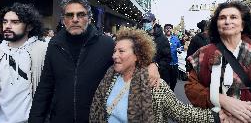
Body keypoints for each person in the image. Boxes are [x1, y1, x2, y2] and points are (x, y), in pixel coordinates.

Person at [29, 0, 159, 123]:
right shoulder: (54, 45)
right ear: (63, 20)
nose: (75, 19)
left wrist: (152, 65)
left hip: (94, 118)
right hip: (60, 118)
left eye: (80, 15)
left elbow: (131, 56)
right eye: (70, 15)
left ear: (89, 18)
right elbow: (45, 87)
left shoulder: (107, 44)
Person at [89, 27, 219, 122]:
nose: (114, 55)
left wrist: (217, 117)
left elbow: (182, 113)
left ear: (137, 55)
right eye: (114, 51)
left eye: (121, 51)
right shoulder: (109, 78)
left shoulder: (154, 85)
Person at [185, 1, 251, 122]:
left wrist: (250, 113)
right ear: (216, 25)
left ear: (243, 25)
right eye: (222, 18)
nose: (227, 21)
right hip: (217, 118)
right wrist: (219, 99)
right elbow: (191, 88)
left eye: (233, 17)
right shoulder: (203, 53)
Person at [0, 3, 48, 123]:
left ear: (29, 26)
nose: (8, 26)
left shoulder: (43, 51)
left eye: (15, 22)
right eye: (5, 22)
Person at [141, 12, 172, 85]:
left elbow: (167, 58)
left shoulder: (163, 39)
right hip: (142, 76)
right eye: (144, 21)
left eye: (148, 21)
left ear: (154, 22)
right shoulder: (140, 37)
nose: (145, 23)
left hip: (159, 76)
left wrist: (156, 65)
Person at [164, 23, 182, 90]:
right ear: (164, 30)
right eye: (167, 28)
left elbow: (180, 47)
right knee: (165, 81)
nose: (168, 29)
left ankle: (171, 93)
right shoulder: (162, 38)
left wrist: (180, 49)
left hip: (174, 63)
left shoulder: (176, 38)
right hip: (165, 64)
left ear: (172, 29)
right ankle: (165, 95)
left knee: (173, 81)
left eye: (170, 28)